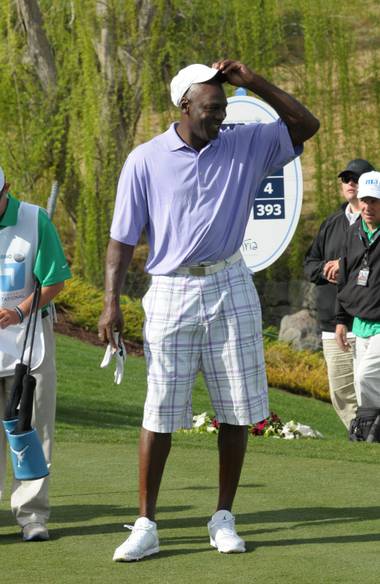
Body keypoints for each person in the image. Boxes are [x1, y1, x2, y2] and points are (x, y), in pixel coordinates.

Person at [98, 59, 319, 561]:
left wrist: (253, 81)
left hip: (230, 282)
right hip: (172, 289)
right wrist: (110, 303)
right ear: (185, 105)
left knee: (236, 407)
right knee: (159, 412)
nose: (221, 115)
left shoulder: (245, 142)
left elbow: (306, 126)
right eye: (212, 107)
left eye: (224, 106)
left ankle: (223, 517)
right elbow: (120, 241)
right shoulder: (146, 159)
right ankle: (147, 523)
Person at [0, 167, 71, 541]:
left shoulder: (33, 218)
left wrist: (19, 311)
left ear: (6, 189)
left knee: (32, 427)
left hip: (28, 337)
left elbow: (54, 279)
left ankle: (32, 516)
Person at [304, 159, 374, 430]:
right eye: (346, 179)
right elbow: (309, 264)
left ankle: (369, 438)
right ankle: (362, 440)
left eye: (356, 178)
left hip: (367, 322)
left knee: (368, 386)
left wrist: (343, 266)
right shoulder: (332, 222)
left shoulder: (373, 223)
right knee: (342, 393)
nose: (350, 183)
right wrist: (325, 269)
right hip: (332, 323)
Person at [336, 171, 380, 438]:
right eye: (365, 200)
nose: (368, 206)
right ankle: (371, 434)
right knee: (361, 382)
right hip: (359, 323)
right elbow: (344, 277)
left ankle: (371, 428)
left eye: (374, 200)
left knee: (365, 377)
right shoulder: (353, 233)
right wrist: (341, 320)